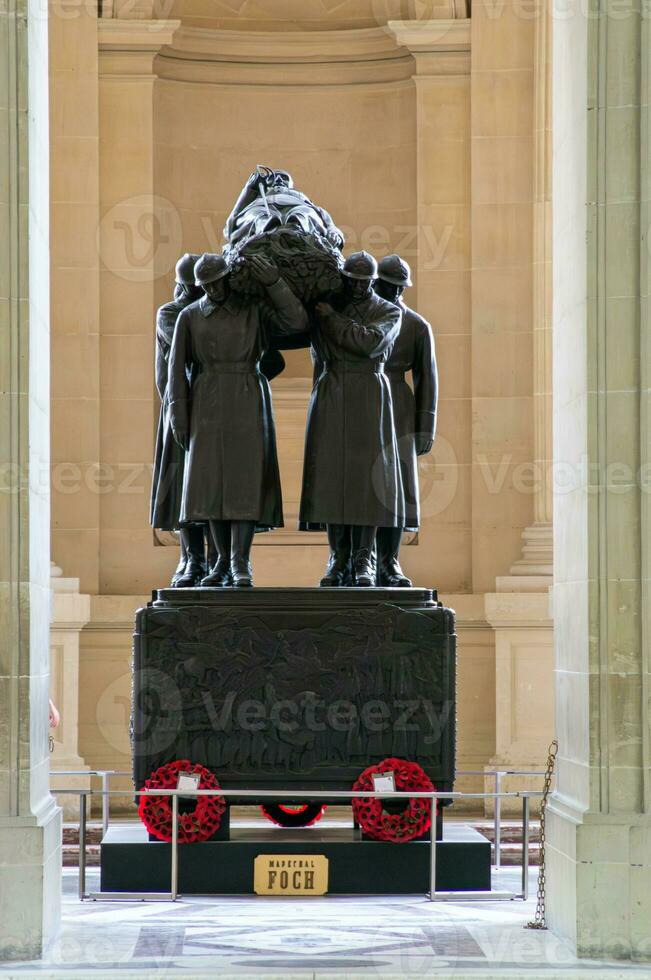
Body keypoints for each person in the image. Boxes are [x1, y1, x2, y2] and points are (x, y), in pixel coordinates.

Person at [168, 253, 308, 587]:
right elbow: (176, 370)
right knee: (211, 486)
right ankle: (218, 564)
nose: (213, 290)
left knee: (243, 483)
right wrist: (178, 416)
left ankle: (240, 563)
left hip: (247, 395)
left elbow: (296, 323)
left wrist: (274, 282)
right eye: (206, 286)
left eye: (217, 282)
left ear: (227, 278)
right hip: (207, 398)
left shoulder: (253, 309)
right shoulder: (189, 316)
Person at [299, 251, 404, 587]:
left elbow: (368, 343)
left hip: (369, 393)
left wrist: (331, 318)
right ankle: (338, 558)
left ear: (373, 281)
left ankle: (364, 560)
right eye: (353, 281)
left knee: (368, 481)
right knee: (332, 479)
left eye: (364, 282)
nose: (358, 287)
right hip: (331, 390)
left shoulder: (388, 310)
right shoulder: (326, 305)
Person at [373, 254, 438, 586]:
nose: (393, 294)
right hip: (366, 403)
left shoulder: (416, 325)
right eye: (387, 286)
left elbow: (427, 379)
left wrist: (426, 426)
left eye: (398, 288)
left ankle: (389, 561)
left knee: (395, 489)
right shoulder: (360, 321)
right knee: (362, 488)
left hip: (399, 407)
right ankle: (362, 560)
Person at [150, 253, 206, 587]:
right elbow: (194, 349)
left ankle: (214, 563)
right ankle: (191, 558)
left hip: (211, 411)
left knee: (209, 491)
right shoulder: (172, 314)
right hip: (181, 408)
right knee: (185, 488)